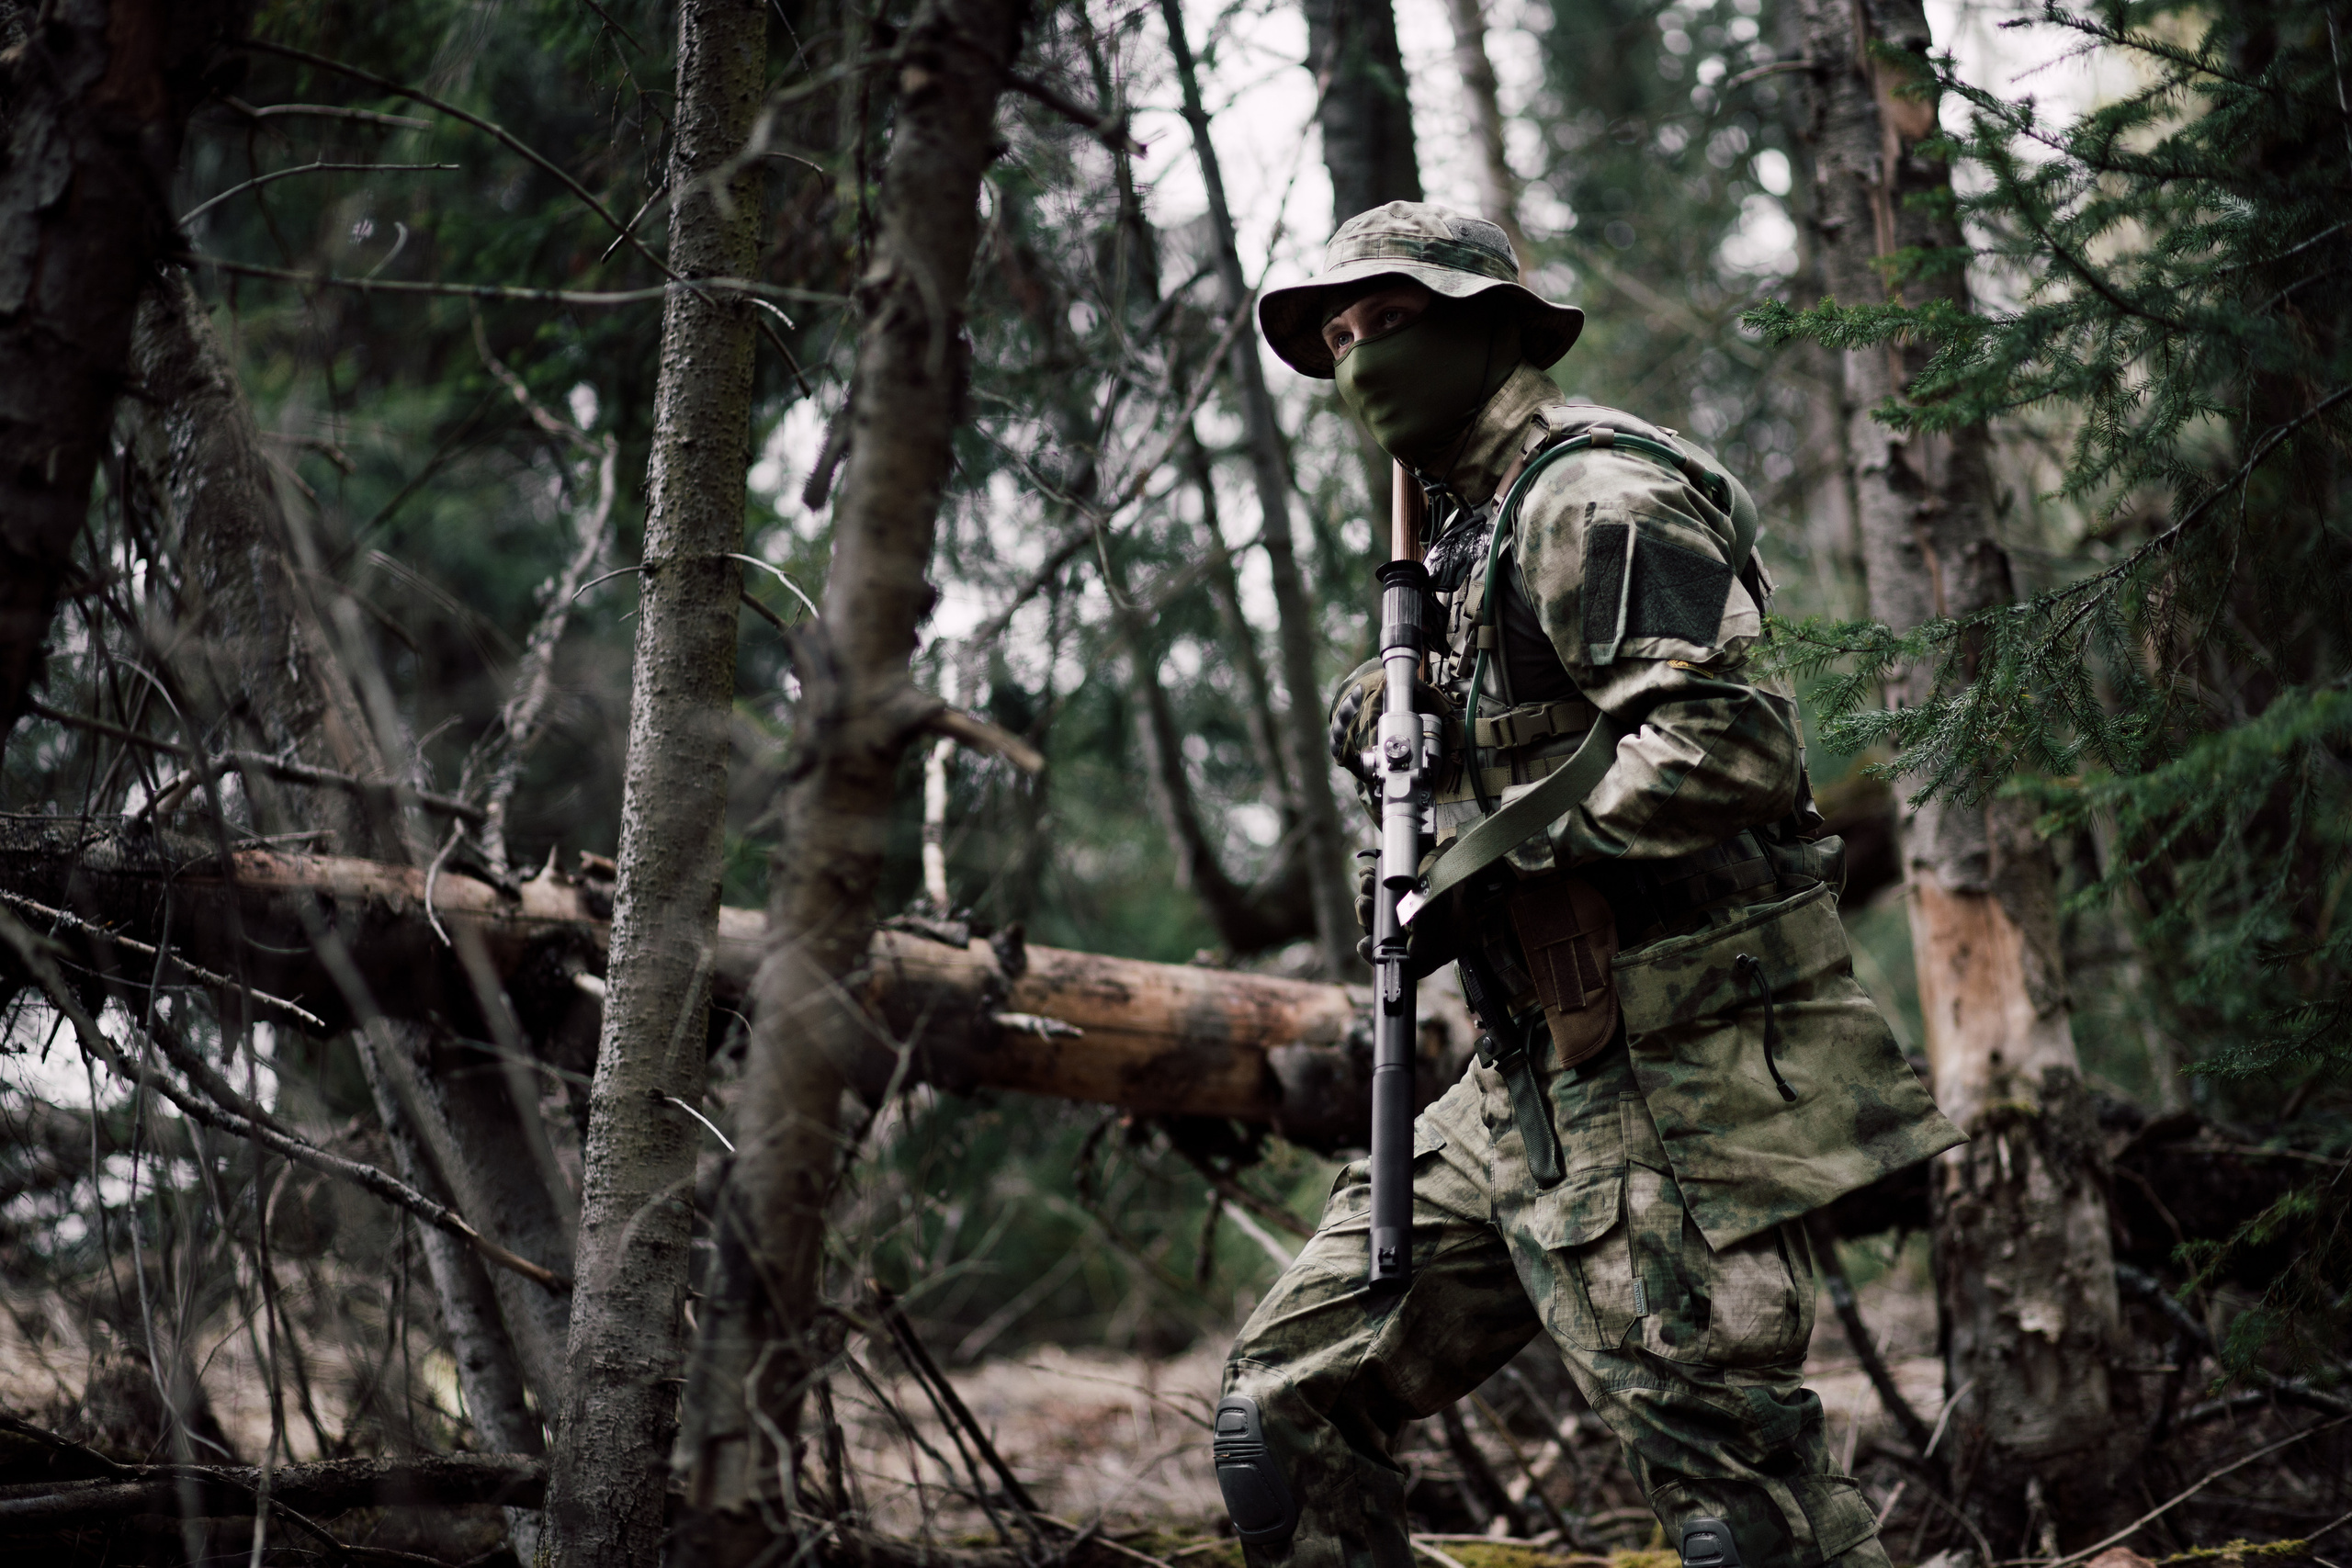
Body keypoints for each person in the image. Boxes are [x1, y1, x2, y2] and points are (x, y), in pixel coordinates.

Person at [1210, 202, 1963, 1568]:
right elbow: (1497, 721)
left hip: (1668, 1070)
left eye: (1394, 321)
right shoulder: (1456, 535)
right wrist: (1383, 704)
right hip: (1526, 1081)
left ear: (1490, 329)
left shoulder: (1586, 495)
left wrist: (1498, 863)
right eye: (1339, 336)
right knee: (1282, 1416)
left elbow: (1729, 742)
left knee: (1747, 1512)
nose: (1363, 360)